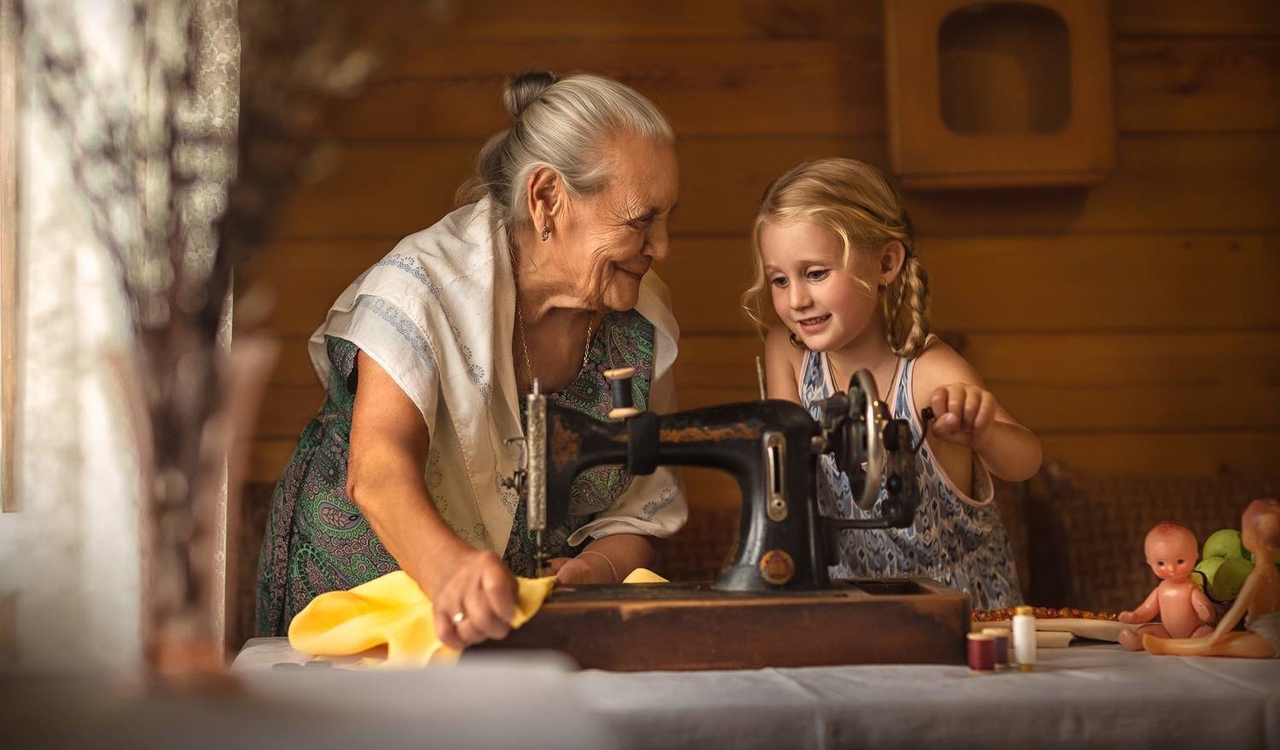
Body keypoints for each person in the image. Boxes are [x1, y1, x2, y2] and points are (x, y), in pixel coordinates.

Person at [255, 70, 687, 651]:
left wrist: (597, 570)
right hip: (367, 599)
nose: (661, 247)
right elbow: (378, 469)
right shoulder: (422, 287)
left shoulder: (638, 320)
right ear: (547, 200)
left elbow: (642, 507)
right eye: (640, 221)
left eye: (667, 220)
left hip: (514, 624)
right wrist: (452, 573)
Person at [741, 158, 1041, 611]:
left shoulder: (930, 373)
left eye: (816, 273)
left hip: (961, 613)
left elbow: (1026, 462)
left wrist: (983, 434)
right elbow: (787, 468)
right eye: (780, 280)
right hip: (848, 610)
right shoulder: (789, 353)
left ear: (885, 262)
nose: (797, 300)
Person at [1145, 498, 1280, 658]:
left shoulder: (1258, 576)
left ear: (1251, 539)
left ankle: (1166, 646)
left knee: (1218, 646)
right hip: (1260, 633)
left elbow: (1236, 612)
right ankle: (1166, 644)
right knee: (1227, 640)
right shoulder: (1272, 572)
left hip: (1269, 641)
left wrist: (1216, 637)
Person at [1116, 522, 1215, 651]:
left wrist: (1206, 611)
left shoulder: (1191, 588)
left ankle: (1195, 645)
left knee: (1207, 632)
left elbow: (1207, 613)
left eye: (1180, 561)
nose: (1171, 569)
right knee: (1147, 630)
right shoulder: (1161, 589)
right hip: (1167, 634)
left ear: (1195, 556)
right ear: (1149, 562)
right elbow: (1148, 609)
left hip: (1194, 634)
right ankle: (1135, 640)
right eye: (1161, 563)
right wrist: (1135, 616)